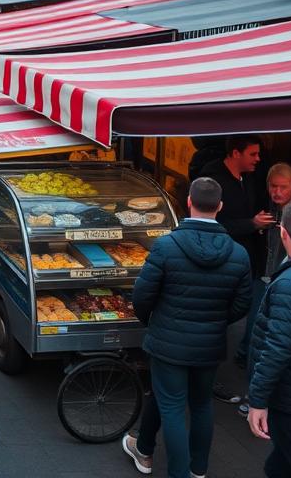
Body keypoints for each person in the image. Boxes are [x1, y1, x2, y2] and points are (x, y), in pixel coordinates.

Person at [123, 177, 252, 478]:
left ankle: (177, 472)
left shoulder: (167, 246)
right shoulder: (238, 253)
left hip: (168, 342)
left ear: (190, 203)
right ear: (220, 206)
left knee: (171, 407)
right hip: (209, 345)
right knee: (202, 405)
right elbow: (242, 303)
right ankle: (198, 470)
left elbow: (142, 296)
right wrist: (215, 321)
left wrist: (155, 322)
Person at [200, 135, 274, 392]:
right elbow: (213, 225)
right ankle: (207, 375)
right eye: (252, 154)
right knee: (217, 319)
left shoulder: (250, 178)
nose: (258, 159)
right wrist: (251, 224)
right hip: (222, 263)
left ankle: (239, 356)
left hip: (248, 260)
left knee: (244, 311)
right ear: (235, 153)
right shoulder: (213, 181)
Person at [239, 163, 291, 416]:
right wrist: (253, 224)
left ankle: (257, 397)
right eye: (273, 186)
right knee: (256, 333)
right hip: (262, 278)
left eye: (283, 187)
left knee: (273, 341)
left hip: (282, 282)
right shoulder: (263, 206)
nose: (277, 191)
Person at [247, 201, 291, 478]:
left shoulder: (289, 284)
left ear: (283, 233)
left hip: (289, 399)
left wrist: (258, 400)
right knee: (278, 466)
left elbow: (277, 349)